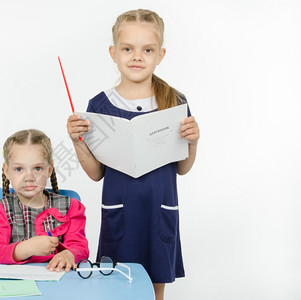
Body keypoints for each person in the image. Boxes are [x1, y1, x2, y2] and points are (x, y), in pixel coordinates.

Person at [66, 9, 200, 300]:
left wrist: (193, 141)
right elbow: (96, 173)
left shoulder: (175, 102)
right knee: (116, 286)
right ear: (114, 53)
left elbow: (183, 167)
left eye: (147, 50)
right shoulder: (99, 105)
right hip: (121, 214)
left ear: (160, 55)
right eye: (128, 49)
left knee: (154, 289)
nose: (137, 57)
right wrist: (78, 142)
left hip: (159, 211)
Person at [0, 129, 89, 272]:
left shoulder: (71, 207)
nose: (29, 177)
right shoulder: (1, 209)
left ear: (49, 170)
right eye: (19, 169)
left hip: (60, 281)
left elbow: (80, 248)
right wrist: (27, 248)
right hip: (15, 282)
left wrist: (68, 254)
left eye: (37, 168)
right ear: (7, 171)